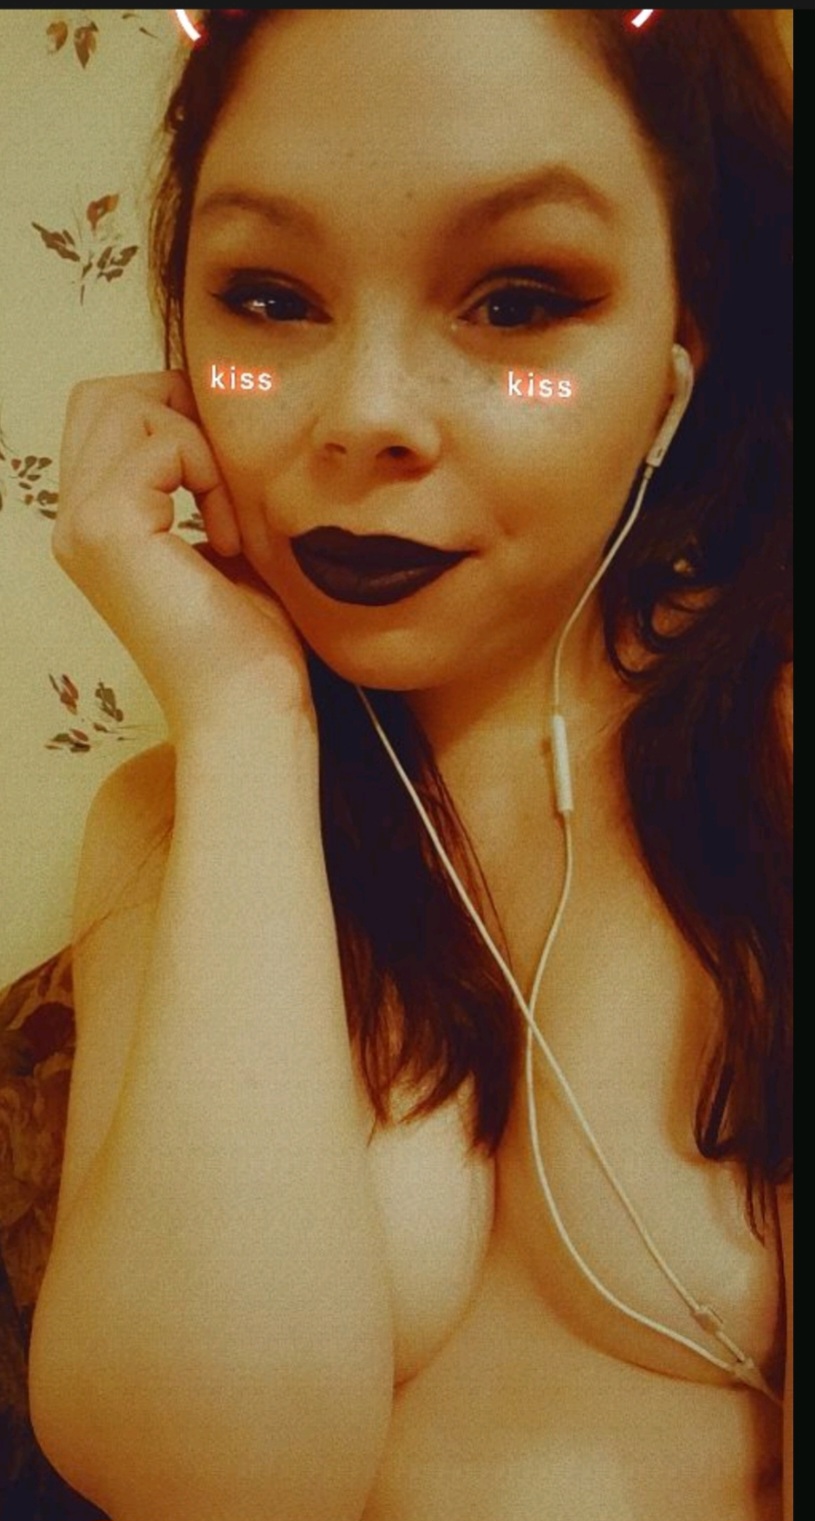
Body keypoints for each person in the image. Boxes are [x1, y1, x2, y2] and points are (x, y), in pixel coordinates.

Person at [18, 9, 791, 1519]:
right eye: (267, 299)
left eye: (520, 302)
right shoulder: (171, 824)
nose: (362, 415)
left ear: (677, 367)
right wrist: (244, 719)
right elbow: (213, 1486)